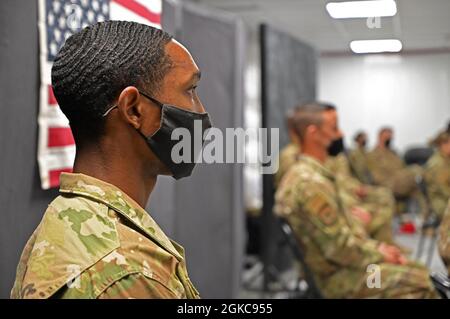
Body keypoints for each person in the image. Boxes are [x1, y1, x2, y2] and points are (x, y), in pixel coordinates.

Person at [11, 21, 211, 299]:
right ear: (134, 110)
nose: (200, 110)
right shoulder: (127, 274)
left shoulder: (66, 218)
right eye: (190, 90)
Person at [275, 102, 438, 298]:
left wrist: (378, 249)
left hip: (352, 268)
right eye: (333, 128)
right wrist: (380, 253)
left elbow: (342, 238)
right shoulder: (310, 185)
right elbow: (339, 248)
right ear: (313, 133)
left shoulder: (313, 177)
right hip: (343, 279)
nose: (340, 134)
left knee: (417, 271)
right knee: (423, 282)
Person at [424, 131, 450, 220]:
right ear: (442, 145)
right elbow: (443, 189)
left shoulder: (446, 160)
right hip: (440, 202)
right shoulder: (437, 164)